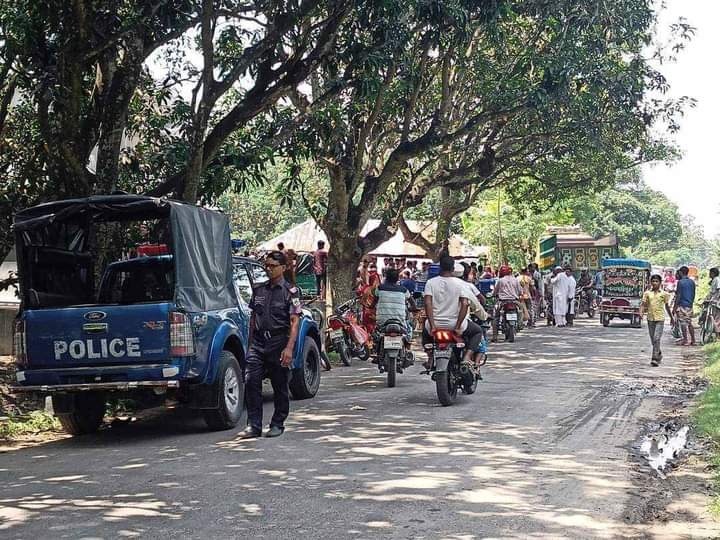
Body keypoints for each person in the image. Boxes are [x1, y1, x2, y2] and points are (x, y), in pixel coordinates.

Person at [239, 251, 302, 439]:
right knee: (251, 382)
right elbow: (252, 318)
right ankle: (254, 425)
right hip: (258, 343)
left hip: (278, 342)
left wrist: (289, 348)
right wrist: (249, 345)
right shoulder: (258, 290)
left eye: (273, 266)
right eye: (266, 265)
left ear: (283, 268)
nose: (268, 269)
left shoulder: (292, 292)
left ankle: (277, 423)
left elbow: (295, 322)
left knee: (279, 384)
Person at [423, 256, 484, 366]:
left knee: (425, 332)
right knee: (477, 331)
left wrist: (432, 325)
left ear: (440, 267)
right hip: (455, 325)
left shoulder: (430, 283)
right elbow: (465, 304)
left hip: (435, 325)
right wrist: (457, 326)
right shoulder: (460, 283)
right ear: (453, 268)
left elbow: (428, 304)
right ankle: (467, 357)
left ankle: (430, 357)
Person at [374, 268, 416, 343]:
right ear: (397, 279)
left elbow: (373, 303)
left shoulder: (380, 288)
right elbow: (413, 304)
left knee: (376, 335)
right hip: (400, 321)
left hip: (382, 322)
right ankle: (407, 345)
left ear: (386, 277)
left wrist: (371, 307)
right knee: (408, 330)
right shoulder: (404, 290)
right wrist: (411, 309)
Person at [640, 274, 674, 366]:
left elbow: (667, 307)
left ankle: (654, 359)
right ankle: (658, 353)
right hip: (650, 318)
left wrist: (671, 318)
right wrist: (641, 313)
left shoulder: (664, 294)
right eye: (653, 281)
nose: (654, 283)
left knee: (656, 338)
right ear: (651, 282)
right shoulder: (647, 293)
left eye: (656, 281)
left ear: (660, 283)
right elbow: (643, 304)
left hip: (660, 319)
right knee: (653, 340)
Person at [491, 265, 522, 340]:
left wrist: (493, 295)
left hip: (502, 301)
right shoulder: (515, 280)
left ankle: (495, 336)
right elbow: (520, 291)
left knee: (496, 317)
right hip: (514, 301)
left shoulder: (500, 280)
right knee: (521, 311)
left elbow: (495, 291)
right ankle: (520, 324)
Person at [673, 265, 697, 346]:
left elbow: (678, 295)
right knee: (689, 322)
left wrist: (674, 307)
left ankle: (685, 340)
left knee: (683, 323)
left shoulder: (680, 282)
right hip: (689, 305)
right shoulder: (692, 282)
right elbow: (693, 294)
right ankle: (693, 340)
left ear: (680, 272)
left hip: (682, 305)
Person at [359, 262, 381, 335]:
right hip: (373, 312)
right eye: (376, 280)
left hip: (367, 312)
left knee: (367, 330)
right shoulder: (376, 290)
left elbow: (361, 300)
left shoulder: (365, 288)